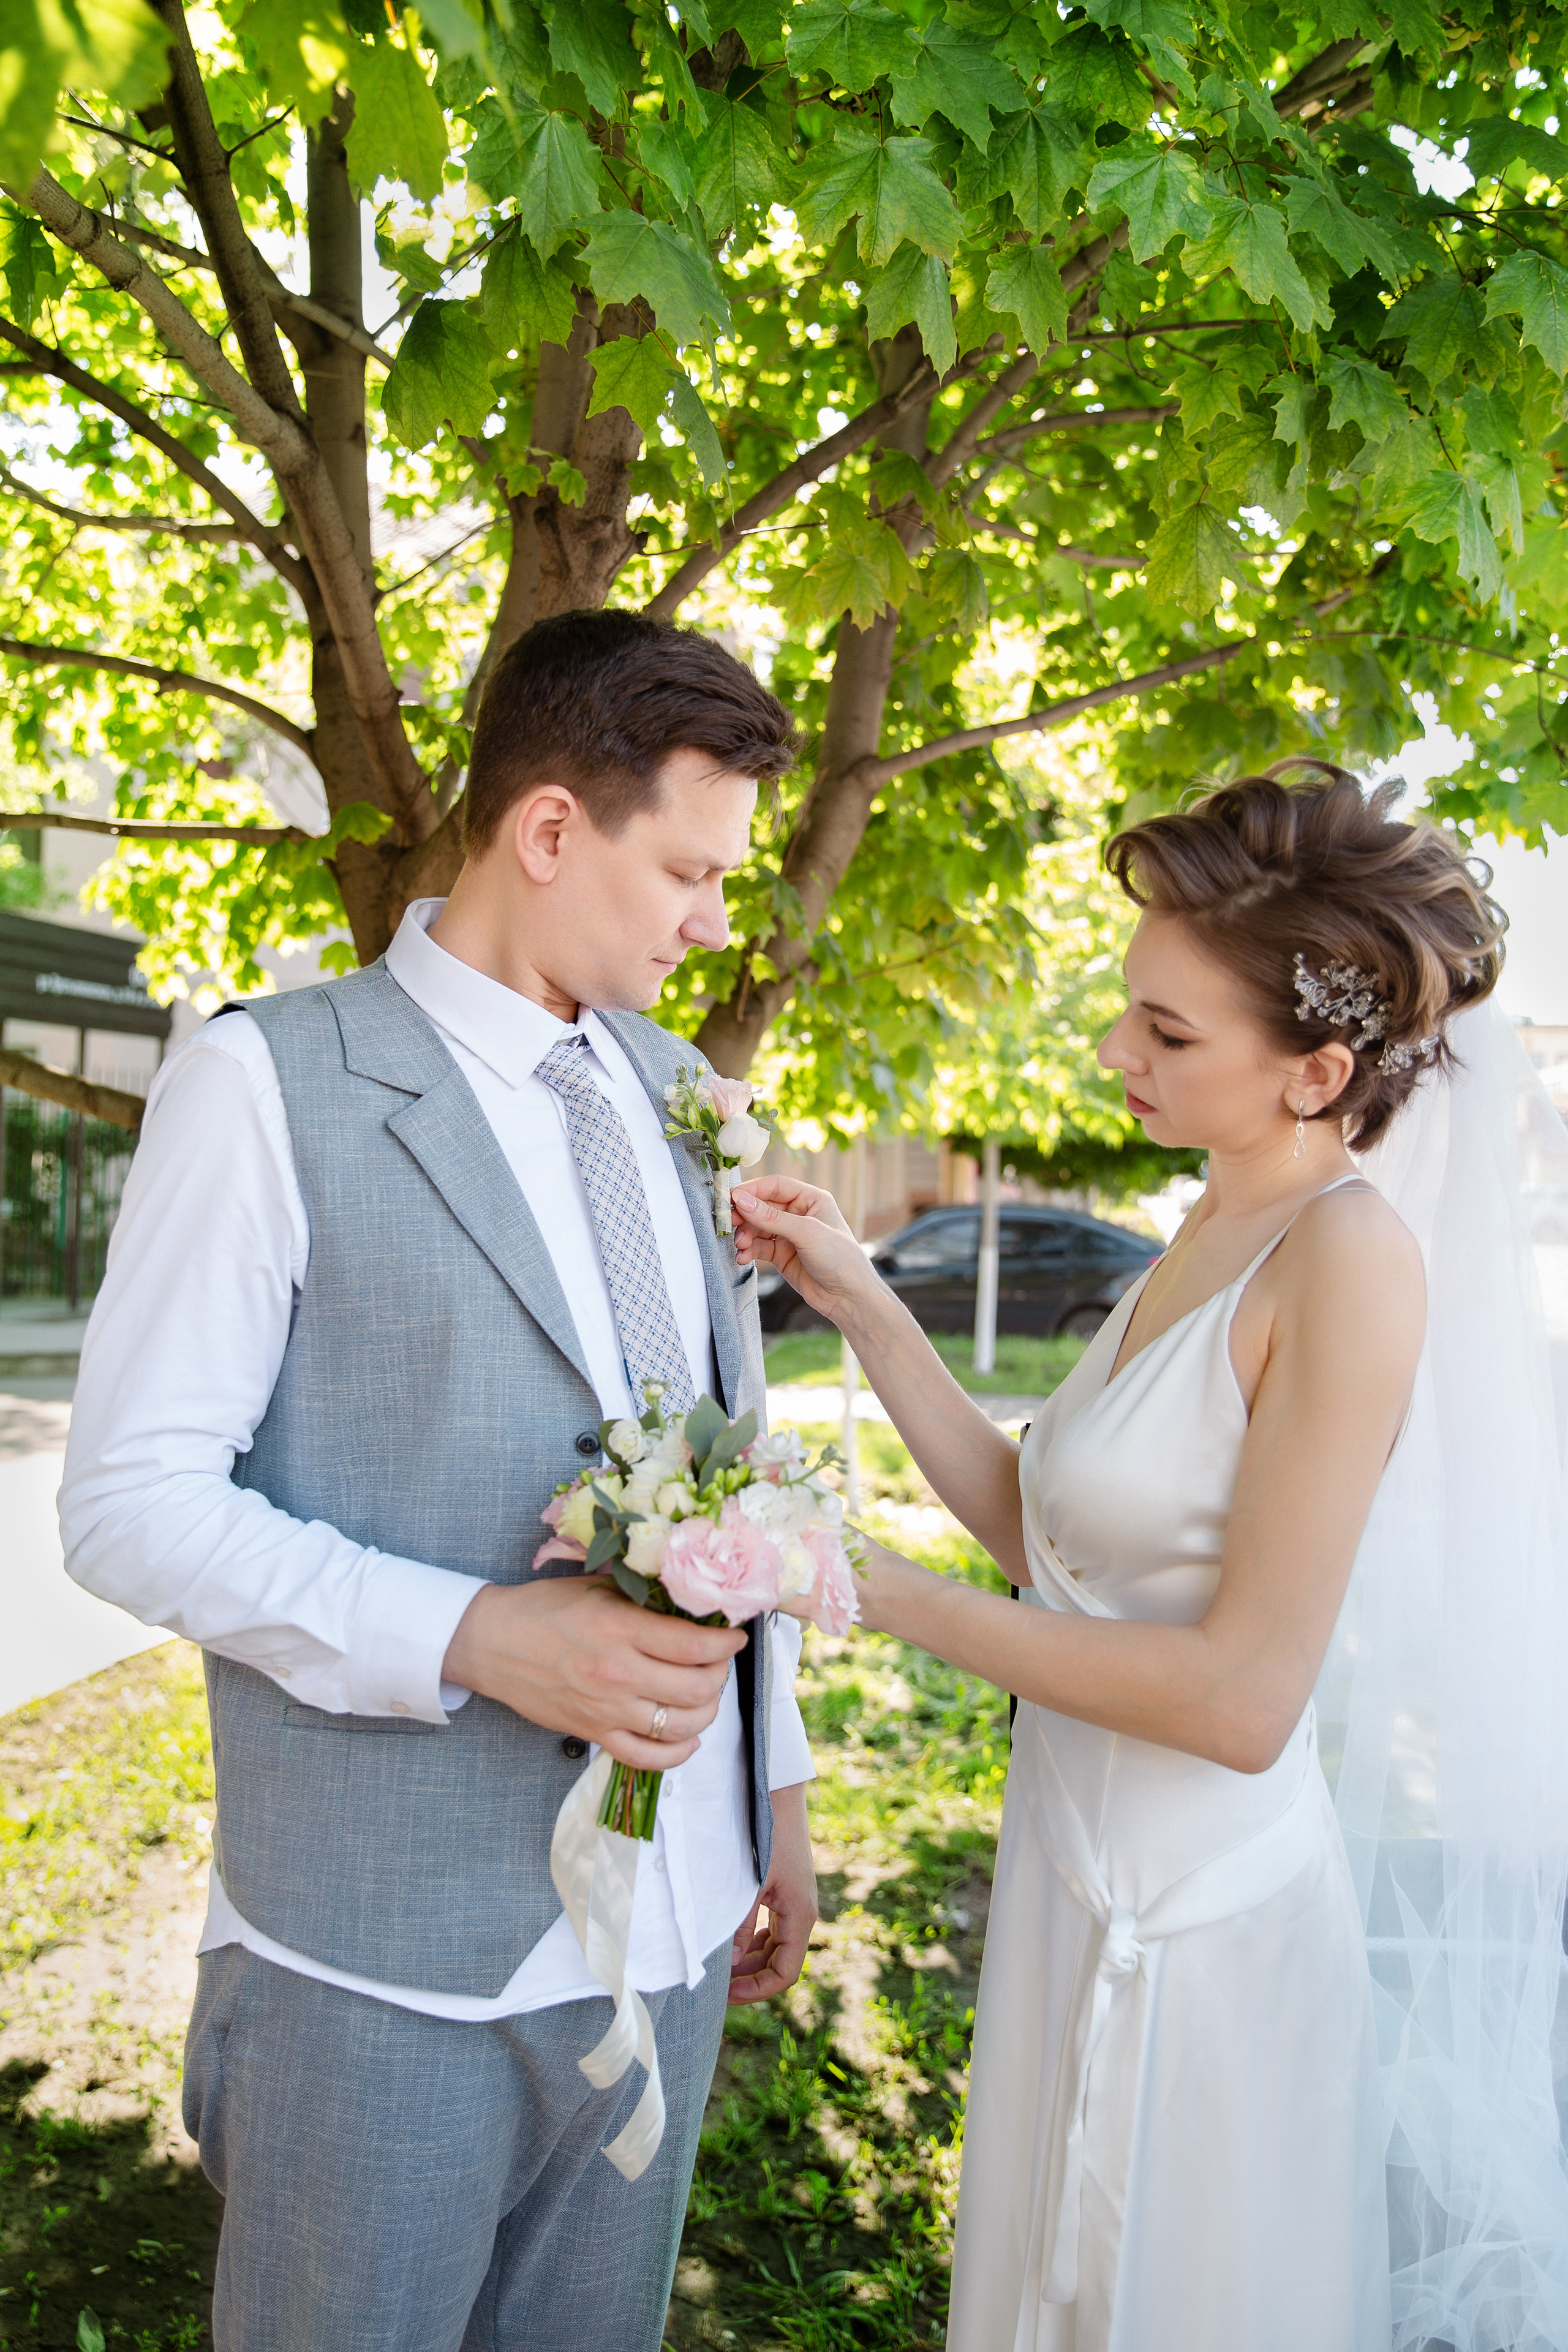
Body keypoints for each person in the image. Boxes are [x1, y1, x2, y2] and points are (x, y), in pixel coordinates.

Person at [731, 761, 1568, 2352]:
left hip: (1196, 1940)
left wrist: (870, 1591)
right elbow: (1047, 1534)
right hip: (1071, 1881)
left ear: (1317, 1073)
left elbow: (1245, 1696)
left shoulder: (1350, 1265)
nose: (1115, 1051)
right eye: (1134, 1008)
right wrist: (861, 1298)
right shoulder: (1207, 1224)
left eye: (1169, 1035)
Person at [58, 608, 820, 2352]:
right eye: (688, 875)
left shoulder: (679, 1088)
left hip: (676, 1928)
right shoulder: (264, 1081)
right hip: (377, 1970)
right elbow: (129, 1501)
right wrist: (473, 1633)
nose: (715, 924)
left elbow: (726, 1468)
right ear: (550, 831)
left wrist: (768, 1795)